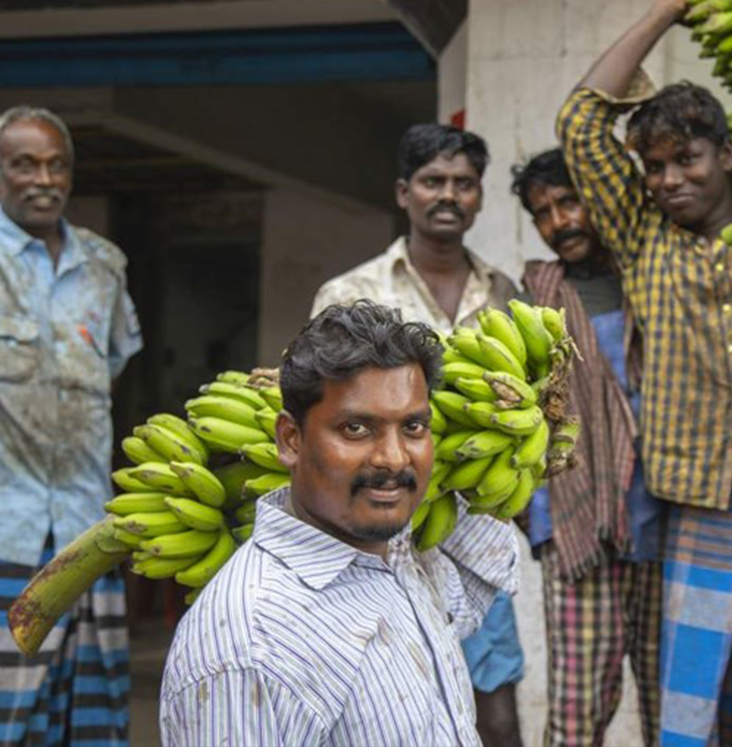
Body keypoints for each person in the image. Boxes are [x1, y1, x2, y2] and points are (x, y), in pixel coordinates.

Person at [556, 2, 732, 744]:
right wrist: (668, 10)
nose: (669, 179)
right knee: (702, 684)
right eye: (655, 165)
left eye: (686, 159)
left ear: (727, 156)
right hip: (697, 489)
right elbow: (578, 120)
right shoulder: (642, 239)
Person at [159, 300, 519, 746]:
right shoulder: (251, 647)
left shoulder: (402, 560)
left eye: (413, 427)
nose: (392, 458)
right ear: (291, 439)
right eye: (356, 429)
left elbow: (475, 590)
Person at [311, 124, 525, 747]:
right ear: (404, 192)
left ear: (479, 197)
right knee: (385, 707)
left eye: (463, 184)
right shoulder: (351, 293)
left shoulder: (505, 295)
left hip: (474, 530)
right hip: (372, 531)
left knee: (496, 709)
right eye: (433, 181)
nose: (448, 196)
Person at [0, 105, 142, 747]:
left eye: (57, 165)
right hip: (7, 527)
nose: (43, 179)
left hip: (89, 523)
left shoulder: (104, 266)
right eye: (24, 164)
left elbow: (112, 367)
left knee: (90, 714)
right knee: (10, 710)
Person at [511, 148, 662, 747]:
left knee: (672, 705)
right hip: (578, 530)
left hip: (665, 517)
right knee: (576, 714)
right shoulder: (536, 300)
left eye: (568, 202)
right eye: (542, 212)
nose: (559, 221)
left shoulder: (654, 279)